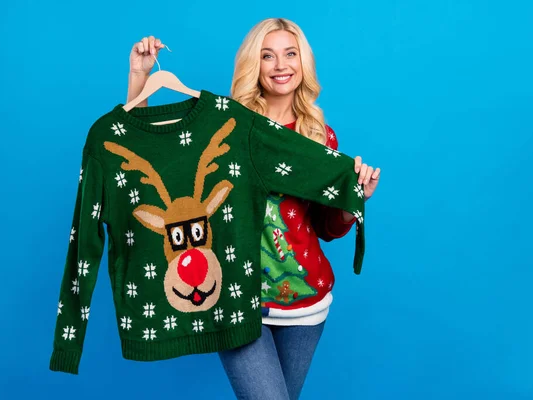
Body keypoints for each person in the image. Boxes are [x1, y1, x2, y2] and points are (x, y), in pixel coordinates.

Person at [126, 18, 380, 400]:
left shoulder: (319, 136)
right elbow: (150, 151)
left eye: (290, 54)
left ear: (303, 62)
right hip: (237, 301)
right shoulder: (225, 126)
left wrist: (354, 200)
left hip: (305, 307)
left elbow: (328, 227)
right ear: (253, 65)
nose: (281, 65)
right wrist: (139, 77)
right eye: (268, 55)